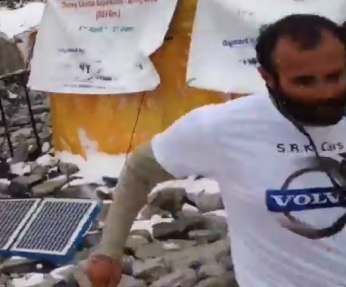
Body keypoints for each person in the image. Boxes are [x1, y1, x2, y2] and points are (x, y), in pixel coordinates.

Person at [86, 14, 346, 287]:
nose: (325, 93)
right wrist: (109, 252)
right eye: (305, 82)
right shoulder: (222, 127)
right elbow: (140, 169)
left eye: (335, 76)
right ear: (267, 78)